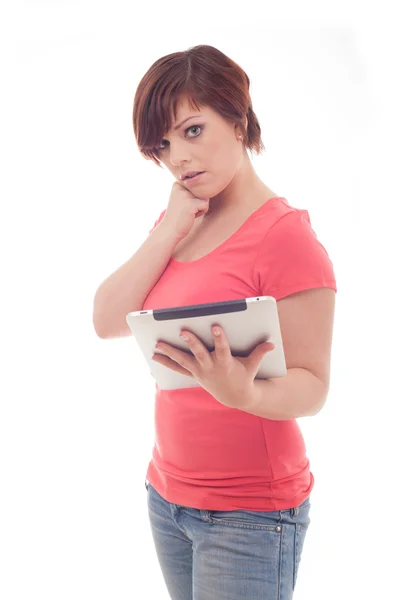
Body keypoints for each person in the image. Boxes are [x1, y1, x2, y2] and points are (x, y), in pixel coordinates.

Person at [93, 44, 337, 600]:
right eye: (162, 144)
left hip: (249, 516)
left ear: (238, 117)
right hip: (168, 496)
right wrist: (170, 226)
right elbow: (107, 320)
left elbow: (313, 388)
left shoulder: (286, 237)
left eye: (193, 131)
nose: (177, 157)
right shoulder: (180, 218)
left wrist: (243, 393)